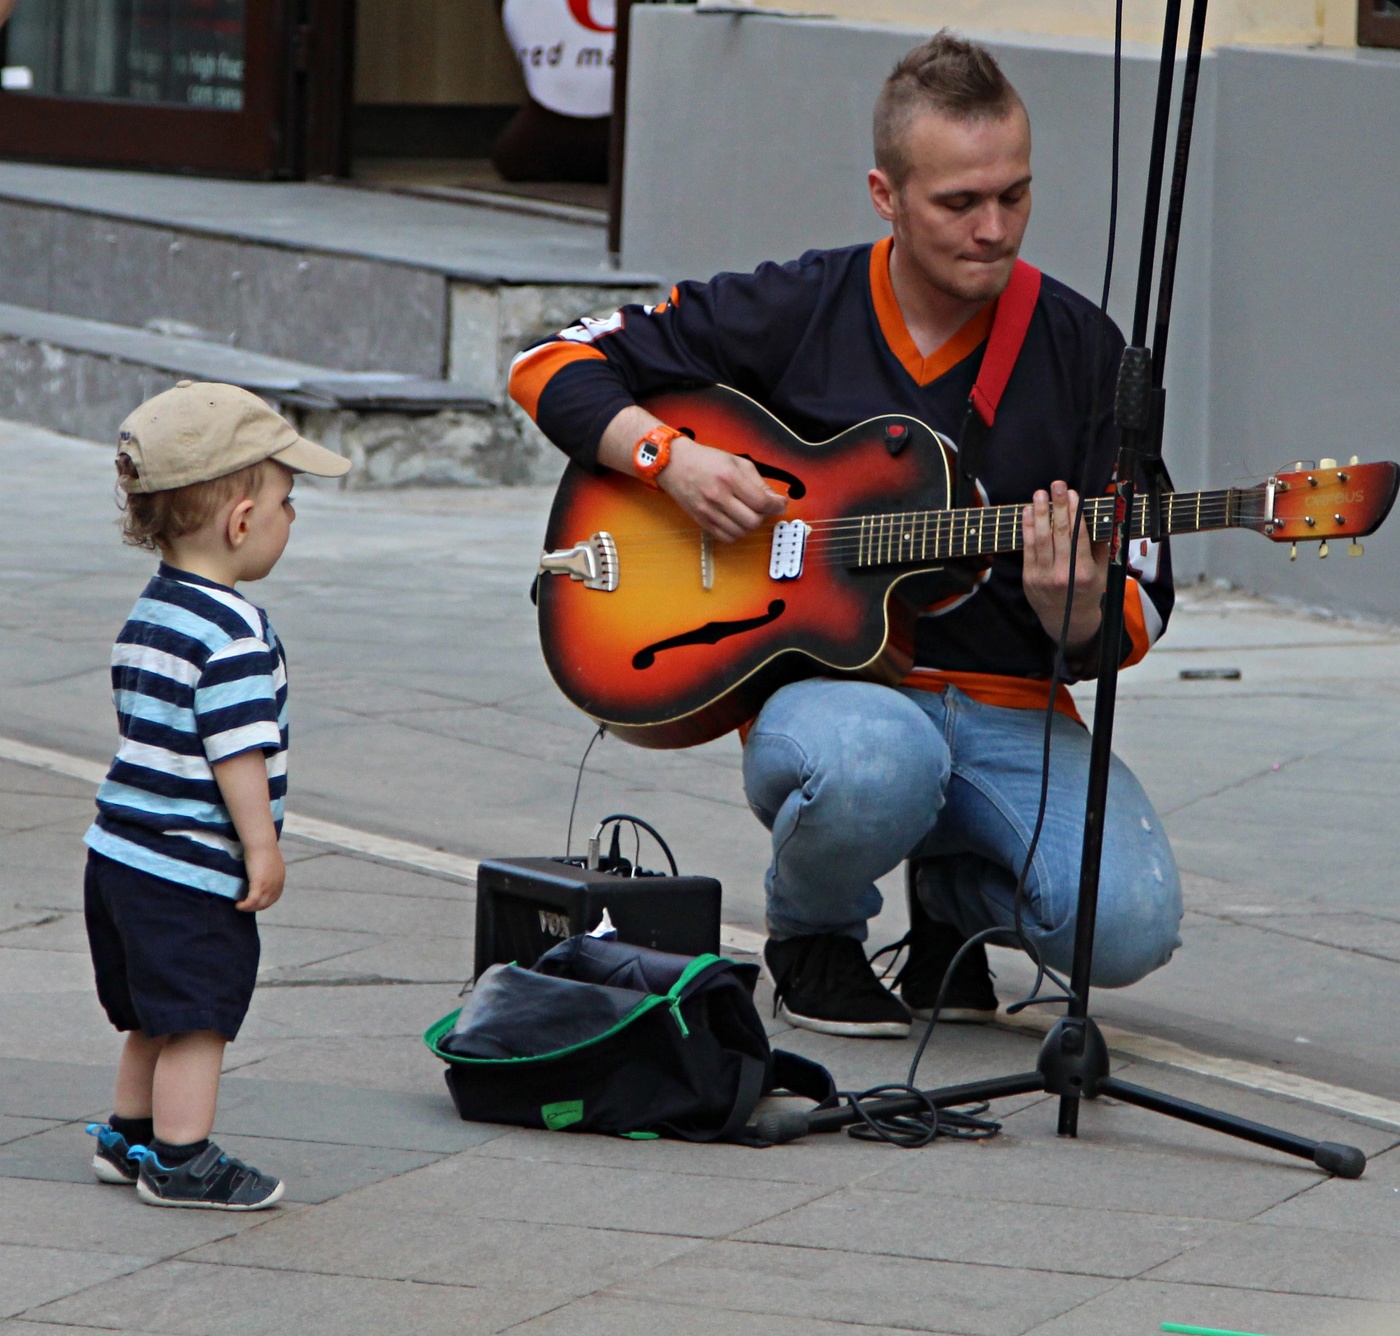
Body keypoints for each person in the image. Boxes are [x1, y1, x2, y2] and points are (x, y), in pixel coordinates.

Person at [509, 32, 1182, 1039]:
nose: (993, 229)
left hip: (1005, 703)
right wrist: (671, 462)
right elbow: (549, 360)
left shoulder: (1084, 352)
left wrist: (1075, 613)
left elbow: (1139, 591)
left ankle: (954, 890)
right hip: (840, 705)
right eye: (958, 202)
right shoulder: (798, 302)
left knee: (1127, 929)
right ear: (885, 194)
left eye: (1014, 195)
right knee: (875, 764)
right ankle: (813, 930)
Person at [82, 381, 350, 1207]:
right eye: (286, 499)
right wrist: (261, 846)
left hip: (119, 854)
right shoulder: (235, 632)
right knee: (197, 1014)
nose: (291, 516)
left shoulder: (152, 612)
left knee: (149, 1009)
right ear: (241, 522)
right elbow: (238, 748)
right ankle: (181, 1157)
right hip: (189, 865)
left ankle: (128, 1137)